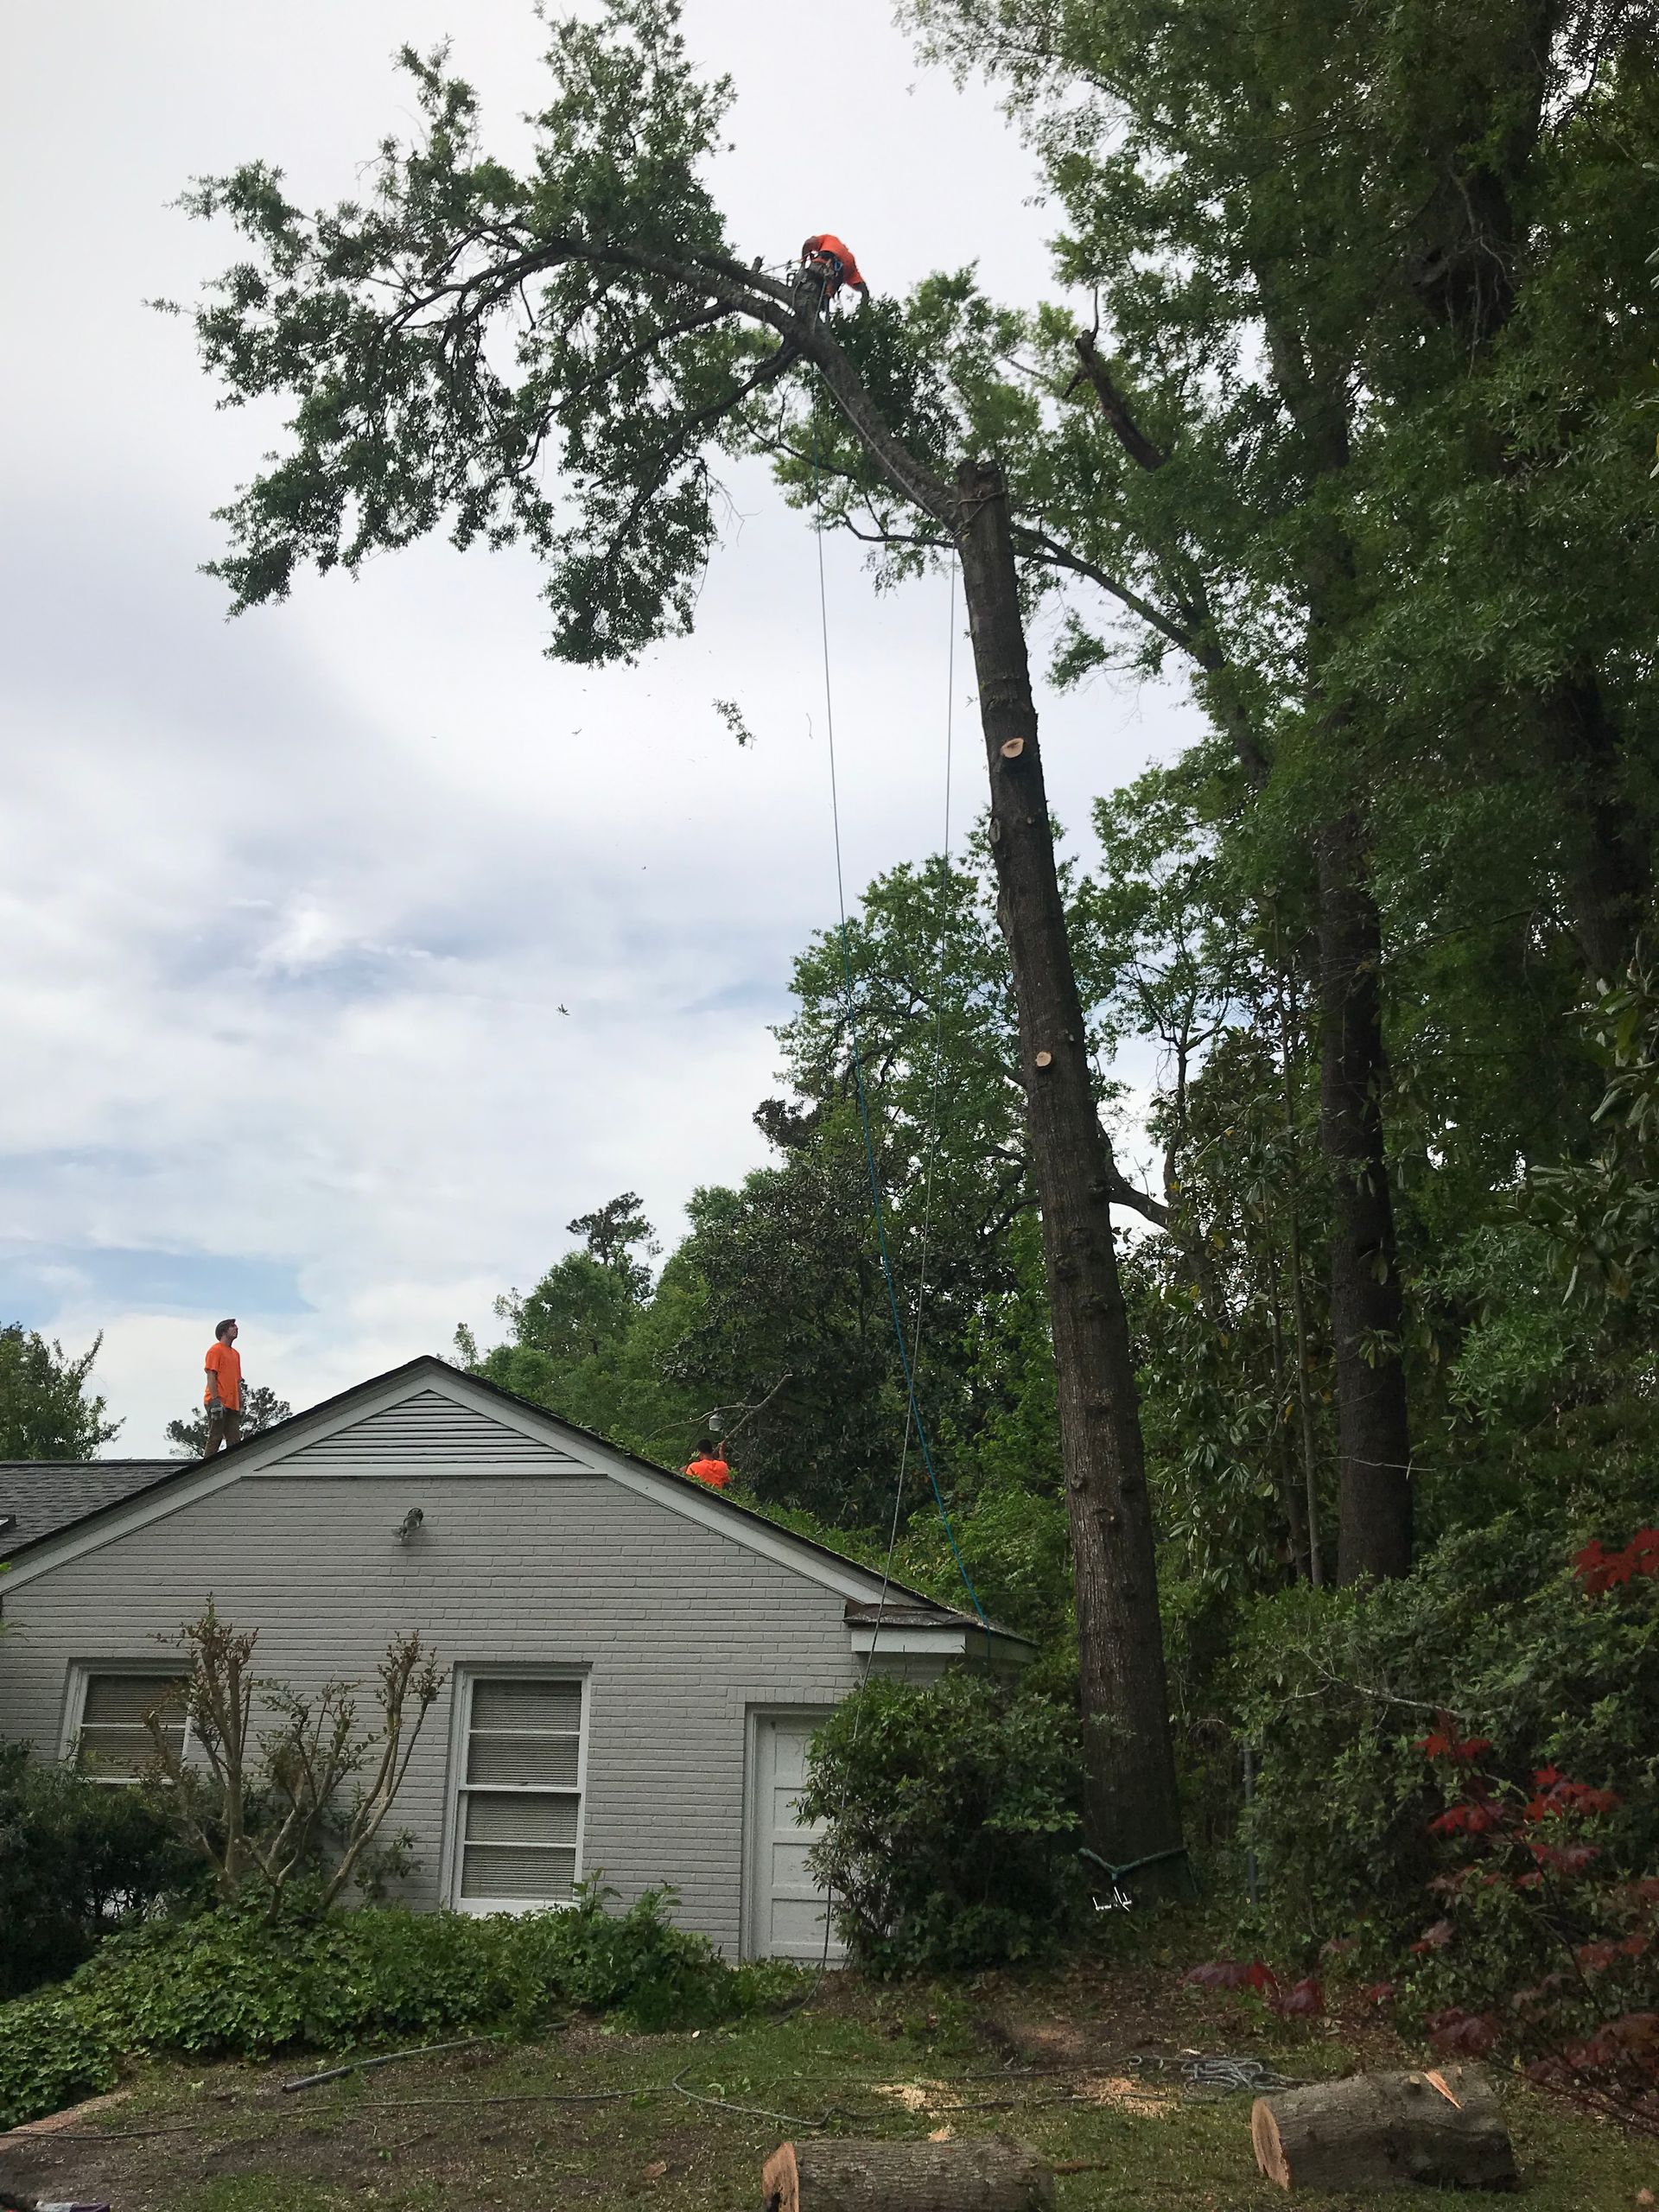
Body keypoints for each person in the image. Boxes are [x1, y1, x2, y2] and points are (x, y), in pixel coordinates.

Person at [202, 1318, 243, 1455]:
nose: (236, 1328)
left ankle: (233, 1470)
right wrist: (215, 1400)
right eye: (232, 1326)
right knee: (216, 1437)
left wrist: (241, 1404)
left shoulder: (235, 1354)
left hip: (232, 1404)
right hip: (218, 1401)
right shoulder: (215, 1350)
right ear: (223, 1331)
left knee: (235, 1441)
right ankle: (205, 1470)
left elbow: (237, 1381)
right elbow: (211, 1375)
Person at [799, 233, 869, 307]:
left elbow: (809, 243)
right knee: (821, 302)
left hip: (820, 265)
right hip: (831, 283)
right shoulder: (851, 262)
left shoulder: (829, 238)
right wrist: (864, 306)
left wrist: (803, 261)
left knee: (802, 286)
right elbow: (863, 287)